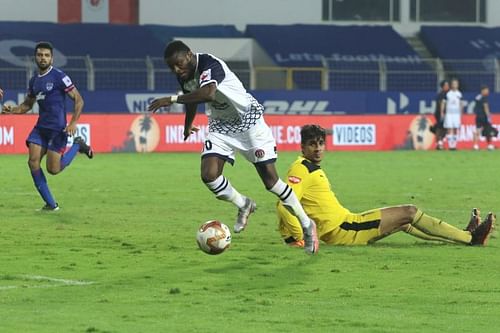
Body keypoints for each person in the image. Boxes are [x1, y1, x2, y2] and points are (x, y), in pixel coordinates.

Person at [148, 40, 319, 254]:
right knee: (209, 175)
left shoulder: (210, 64)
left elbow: (207, 93)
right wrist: (188, 124)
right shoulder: (184, 74)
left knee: (271, 182)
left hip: (248, 123)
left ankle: (306, 224)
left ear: (190, 55)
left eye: (179, 64)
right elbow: (192, 98)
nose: (176, 69)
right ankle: (244, 204)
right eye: (172, 67)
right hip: (221, 127)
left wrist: (171, 99)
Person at [277, 124, 495, 248]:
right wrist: (299, 237)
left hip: (347, 223)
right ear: (302, 147)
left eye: (321, 143)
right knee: (409, 212)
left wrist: (290, 237)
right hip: (344, 230)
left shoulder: (306, 167)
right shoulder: (302, 169)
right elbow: (283, 204)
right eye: (312, 145)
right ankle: (470, 238)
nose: (318, 149)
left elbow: (286, 201)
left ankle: (462, 236)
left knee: (402, 222)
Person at [1, 41, 93, 211]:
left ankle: (77, 145)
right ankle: (51, 205)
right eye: (40, 55)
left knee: (53, 169)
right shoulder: (34, 81)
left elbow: (79, 99)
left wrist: (73, 122)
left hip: (58, 129)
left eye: (46, 55)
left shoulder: (59, 77)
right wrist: (12, 109)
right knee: (33, 162)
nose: (43, 58)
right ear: (35, 57)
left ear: (52, 58)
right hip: (40, 129)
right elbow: (27, 105)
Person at [473, 85, 498, 151]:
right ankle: (489, 145)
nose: (488, 91)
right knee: (488, 130)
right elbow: (486, 107)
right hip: (484, 116)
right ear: (483, 90)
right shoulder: (484, 98)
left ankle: (475, 145)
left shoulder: (477, 97)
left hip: (478, 116)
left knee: (478, 130)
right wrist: (489, 116)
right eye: (487, 90)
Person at [441, 78, 463, 150]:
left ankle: (454, 145)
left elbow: (461, 104)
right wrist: (442, 112)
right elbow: (443, 103)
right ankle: (450, 145)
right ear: (451, 85)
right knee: (449, 128)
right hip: (449, 114)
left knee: (455, 129)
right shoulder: (448, 94)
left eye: (456, 84)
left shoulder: (459, 94)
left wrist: (461, 113)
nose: (455, 85)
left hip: (456, 114)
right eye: (453, 84)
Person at [430, 80, 449, 150]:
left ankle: (439, 142)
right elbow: (441, 105)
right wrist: (442, 113)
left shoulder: (448, 94)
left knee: (444, 128)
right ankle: (438, 143)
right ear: (443, 86)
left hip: (445, 114)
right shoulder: (441, 95)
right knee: (440, 128)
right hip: (440, 113)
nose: (448, 86)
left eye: (448, 85)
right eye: (446, 85)